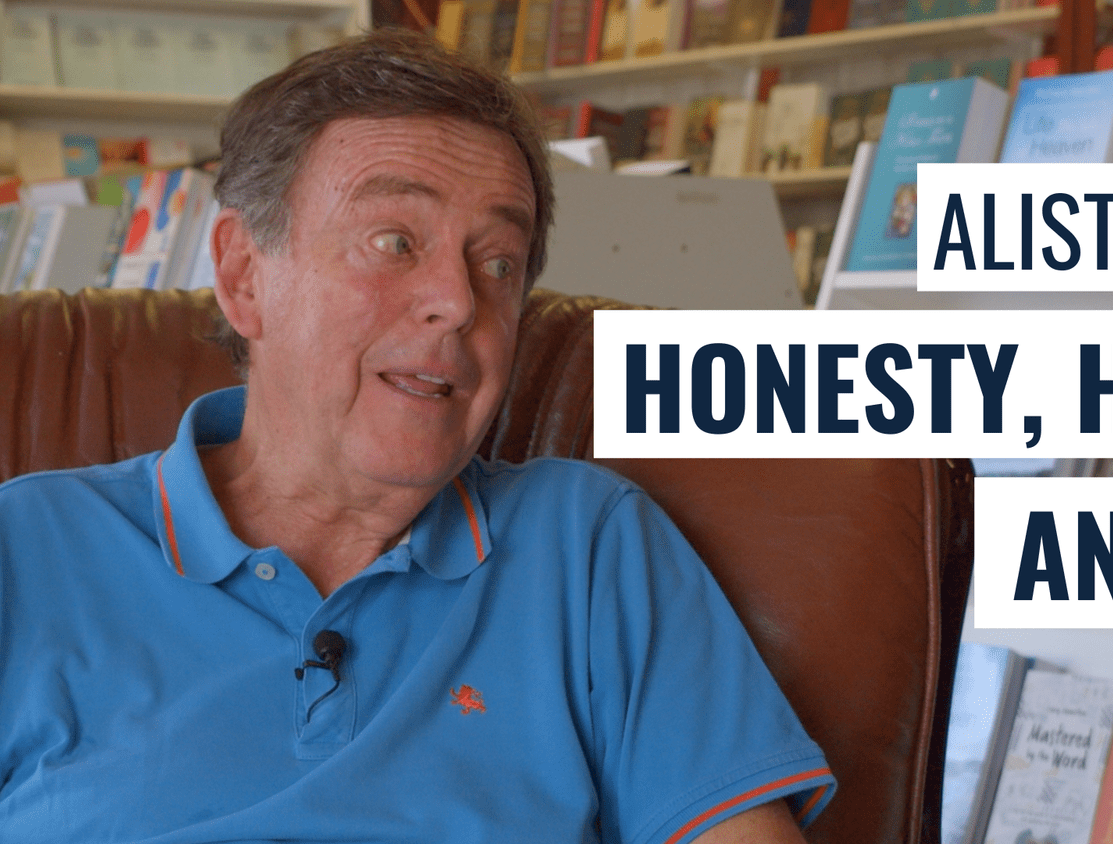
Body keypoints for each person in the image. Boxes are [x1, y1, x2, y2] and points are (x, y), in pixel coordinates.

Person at [0, 29, 834, 842]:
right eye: (394, 242)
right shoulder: (26, 550)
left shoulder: (587, 546)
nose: (460, 302)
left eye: (499, 263)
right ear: (244, 275)